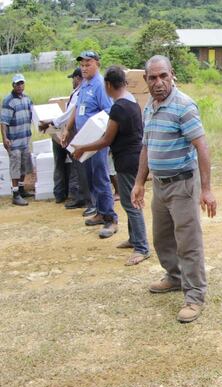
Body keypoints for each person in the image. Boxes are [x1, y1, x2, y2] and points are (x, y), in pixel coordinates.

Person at [131, 55, 217, 323]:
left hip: (182, 184)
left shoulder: (183, 106)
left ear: (172, 75)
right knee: (162, 238)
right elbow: (147, 145)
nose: (158, 82)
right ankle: (175, 276)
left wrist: (207, 189)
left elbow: (201, 147)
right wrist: (138, 182)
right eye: (153, 77)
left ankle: (194, 296)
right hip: (160, 185)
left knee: (188, 242)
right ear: (146, 80)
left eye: (163, 76)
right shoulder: (149, 106)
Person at [71, 66, 150, 263]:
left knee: (131, 204)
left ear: (107, 85)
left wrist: (82, 148)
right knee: (130, 200)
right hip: (134, 157)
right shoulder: (131, 100)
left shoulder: (118, 107)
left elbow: (106, 140)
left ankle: (142, 247)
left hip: (127, 160)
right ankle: (134, 239)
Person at [62, 51, 117, 237]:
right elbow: (77, 108)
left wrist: (105, 140)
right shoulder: (84, 84)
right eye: (82, 65)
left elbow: (109, 112)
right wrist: (67, 129)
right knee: (92, 179)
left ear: (97, 65)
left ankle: (111, 219)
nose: (84, 68)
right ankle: (100, 213)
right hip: (84, 141)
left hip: (96, 142)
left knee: (101, 179)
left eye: (88, 64)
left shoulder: (100, 85)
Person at [39, 68, 93, 211]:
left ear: (78, 78)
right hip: (71, 131)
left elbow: (70, 114)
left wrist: (51, 122)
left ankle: (82, 198)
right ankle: (78, 196)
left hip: (76, 132)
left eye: (72, 79)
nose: (72, 82)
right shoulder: (79, 92)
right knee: (75, 164)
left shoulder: (82, 92)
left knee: (78, 165)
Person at [1, 74, 33, 206]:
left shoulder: (27, 99)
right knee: (15, 167)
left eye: (21, 84)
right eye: (17, 84)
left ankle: (21, 189)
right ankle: (15, 195)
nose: (19, 86)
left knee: (24, 166)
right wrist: (5, 138)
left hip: (25, 139)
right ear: (13, 85)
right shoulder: (8, 101)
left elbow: (32, 116)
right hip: (14, 141)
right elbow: (3, 122)